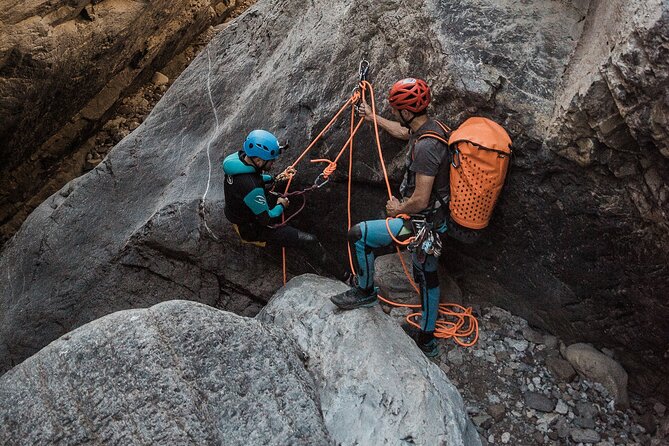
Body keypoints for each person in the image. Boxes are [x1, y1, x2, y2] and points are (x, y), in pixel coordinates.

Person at [330, 78, 451, 357]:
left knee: (358, 235)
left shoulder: (425, 148)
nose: (395, 113)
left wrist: (398, 209)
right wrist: (373, 117)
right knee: (426, 276)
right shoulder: (431, 130)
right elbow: (401, 131)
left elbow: (420, 199)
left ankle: (365, 292)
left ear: (408, 112)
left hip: (421, 223)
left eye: (397, 109)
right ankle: (427, 340)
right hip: (435, 220)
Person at [222, 129, 332, 270]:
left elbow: (255, 177)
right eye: (271, 160)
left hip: (240, 212)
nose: (273, 163)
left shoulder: (237, 161)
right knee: (310, 240)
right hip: (252, 229)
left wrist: (275, 178)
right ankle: (347, 278)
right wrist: (281, 206)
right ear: (258, 160)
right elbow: (266, 218)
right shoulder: (251, 187)